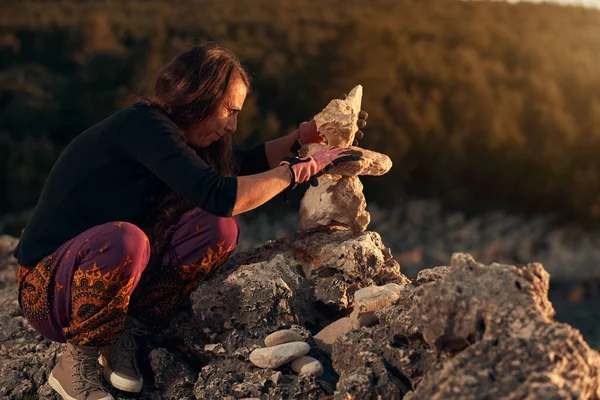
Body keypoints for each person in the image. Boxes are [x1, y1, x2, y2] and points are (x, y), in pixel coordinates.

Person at [13, 42, 367, 400]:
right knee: (127, 240)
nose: (232, 126)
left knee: (216, 229)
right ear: (199, 93)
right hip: (49, 288)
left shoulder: (184, 139)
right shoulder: (143, 125)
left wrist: (304, 137)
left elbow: (242, 165)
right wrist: (296, 173)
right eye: (229, 110)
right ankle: (78, 358)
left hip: (102, 274)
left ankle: (123, 330)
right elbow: (221, 194)